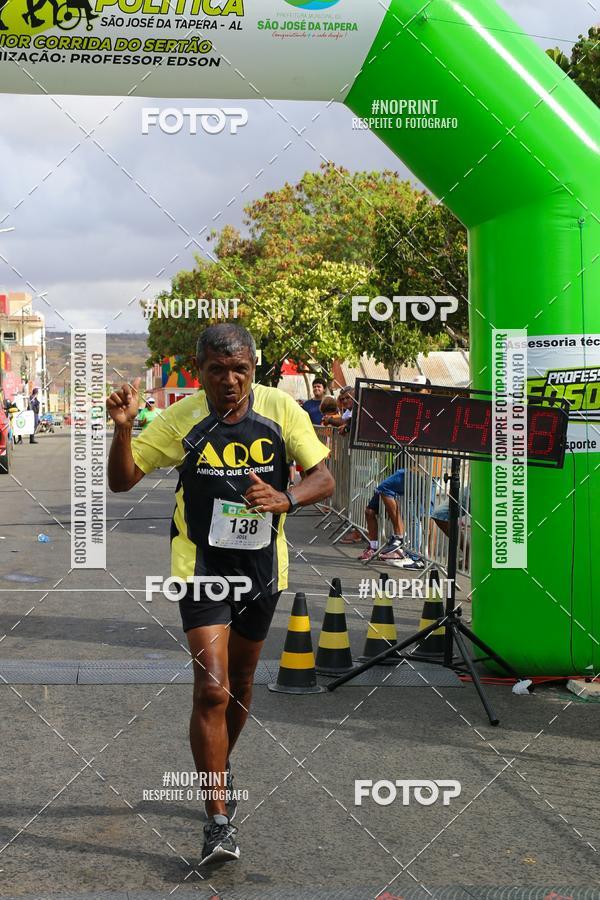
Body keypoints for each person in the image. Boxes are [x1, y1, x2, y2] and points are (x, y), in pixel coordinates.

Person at [106, 324, 334, 866]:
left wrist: (286, 497)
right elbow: (122, 480)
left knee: (243, 682)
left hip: (261, 568)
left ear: (254, 368)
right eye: (217, 371)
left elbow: (324, 478)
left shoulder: (282, 410)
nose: (230, 381)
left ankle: (217, 768)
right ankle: (217, 820)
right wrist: (122, 430)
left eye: (241, 371)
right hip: (201, 566)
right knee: (212, 687)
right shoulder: (181, 418)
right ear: (199, 370)